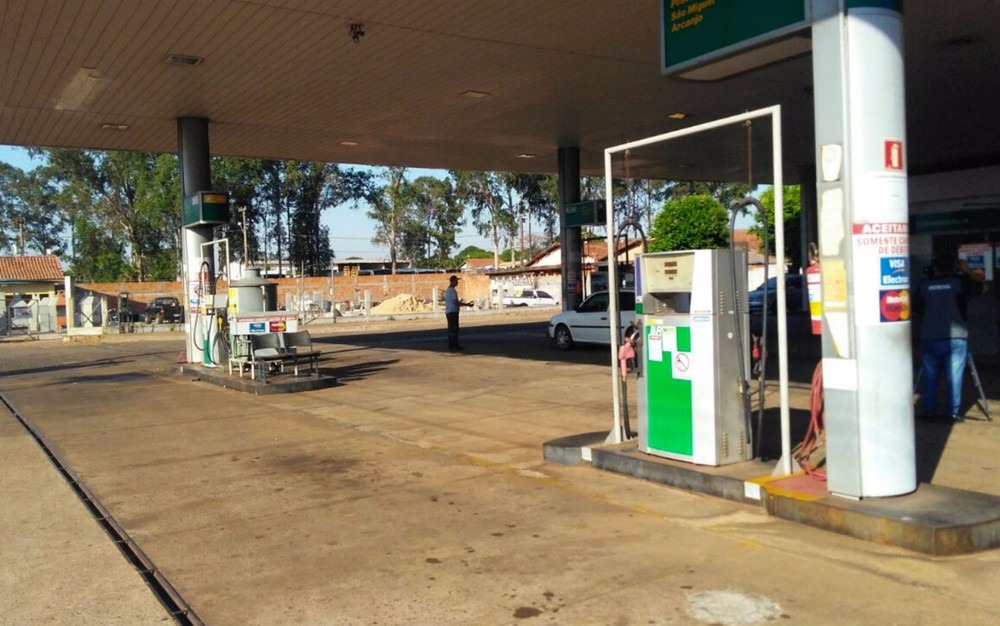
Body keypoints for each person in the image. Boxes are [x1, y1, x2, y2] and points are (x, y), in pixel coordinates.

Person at [914, 253, 988, 422]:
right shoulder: (960, 283)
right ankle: (952, 413)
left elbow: (916, 308)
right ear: (955, 268)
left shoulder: (924, 285)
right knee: (954, 376)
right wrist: (968, 271)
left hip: (930, 337)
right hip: (956, 338)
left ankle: (928, 412)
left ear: (935, 268)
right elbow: (983, 288)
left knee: (930, 376)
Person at [444, 275, 473, 351]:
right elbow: (455, 302)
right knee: (454, 329)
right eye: (456, 281)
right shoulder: (453, 291)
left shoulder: (447, 291)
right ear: (453, 281)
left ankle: (451, 344)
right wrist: (467, 305)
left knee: (450, 329)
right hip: (453, 312)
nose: (457, 283)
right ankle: (455, 345)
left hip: (448, 311)